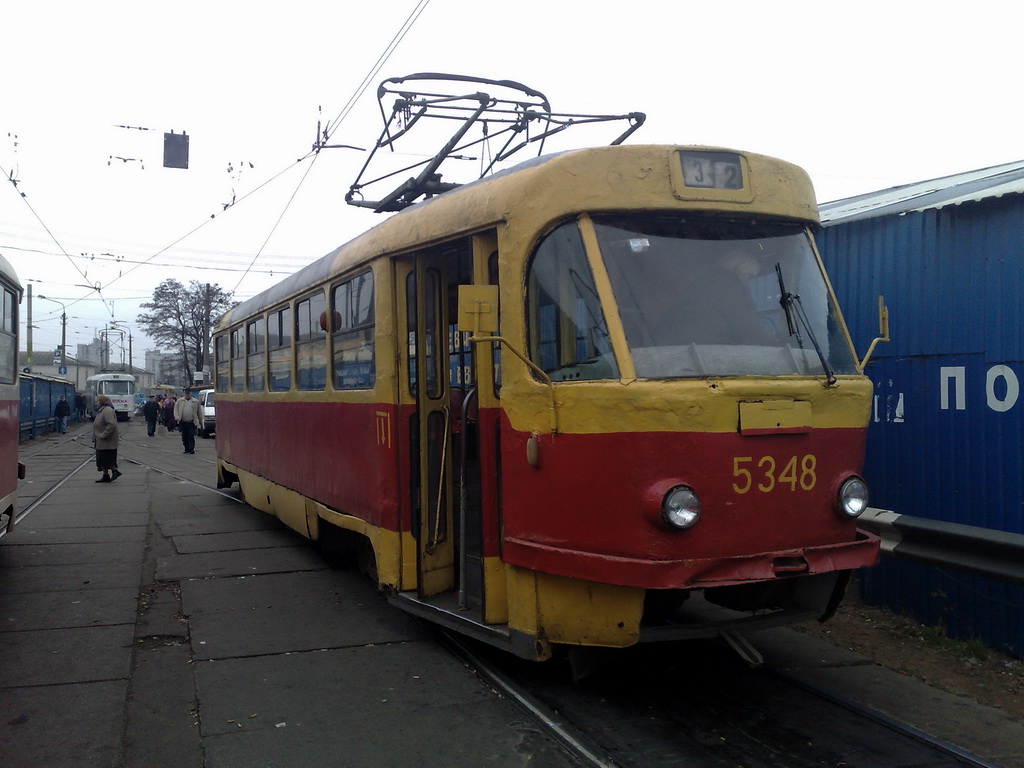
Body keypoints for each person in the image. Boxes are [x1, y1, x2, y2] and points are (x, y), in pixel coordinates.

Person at [93, 394, 121, 483]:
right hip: (101, 441)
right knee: (102, 460)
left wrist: (103, 435)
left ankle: (115, 471)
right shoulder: (101, 410)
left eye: (97, 402)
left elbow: (112, 424)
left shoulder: (107, 411)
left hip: (107, 441)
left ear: (101, 402)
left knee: (107, 459)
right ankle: (106, 475)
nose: (96, 403)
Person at [173, 388, 204, 454]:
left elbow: (199, 412)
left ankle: (191, 448)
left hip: (191, 422)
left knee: (191, 435)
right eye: (186, 393)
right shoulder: (180, 401)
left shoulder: (195, 402)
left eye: (188, 393)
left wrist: (200, 421)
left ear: (191, 393)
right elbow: (176, 410)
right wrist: (177, 417)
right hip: (183, 421)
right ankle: (186, 448)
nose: (187, 395)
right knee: (184, 436)